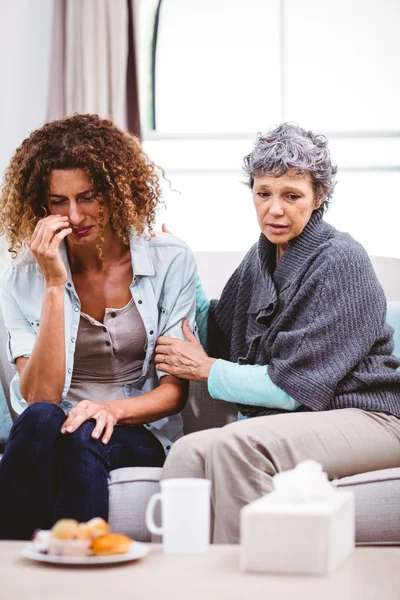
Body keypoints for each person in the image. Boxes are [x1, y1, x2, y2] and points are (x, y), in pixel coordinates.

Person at [155, 122, 400, 544]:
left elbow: (291, 388)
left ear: (319, 197)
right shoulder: (261, 255)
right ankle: (183, 584)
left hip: (372, 417)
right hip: (310, 419)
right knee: (186, 454)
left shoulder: (341, 260)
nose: (274, 210)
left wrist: (207, 369)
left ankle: (250, 586)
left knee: (237, 446)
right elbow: (219, 330)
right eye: (263, 193)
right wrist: (182, 263)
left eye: (291, 196)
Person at [0, 114, 196, 540]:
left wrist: (108, 410)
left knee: (84, 432)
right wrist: (54, 283)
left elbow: (174, 392)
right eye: (57, 202)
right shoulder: (23, 278)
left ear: (115, 190)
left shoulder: (169, 261)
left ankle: (81, 574)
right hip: (55, 423)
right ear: (40, 205)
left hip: (132, 428)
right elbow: (40, 397)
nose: (74, 215)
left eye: (88, 196)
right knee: (39, 420)